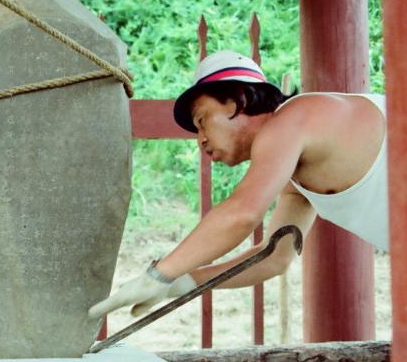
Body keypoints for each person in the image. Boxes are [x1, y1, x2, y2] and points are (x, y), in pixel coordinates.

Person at [89, 50, 389, 320]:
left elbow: (242, 213)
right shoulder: (295, 173)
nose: (201, 140)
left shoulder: (297, 118)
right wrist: (183, 283)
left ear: (237, 101)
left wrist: (158, 276)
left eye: (202, 120)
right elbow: (273, 258)